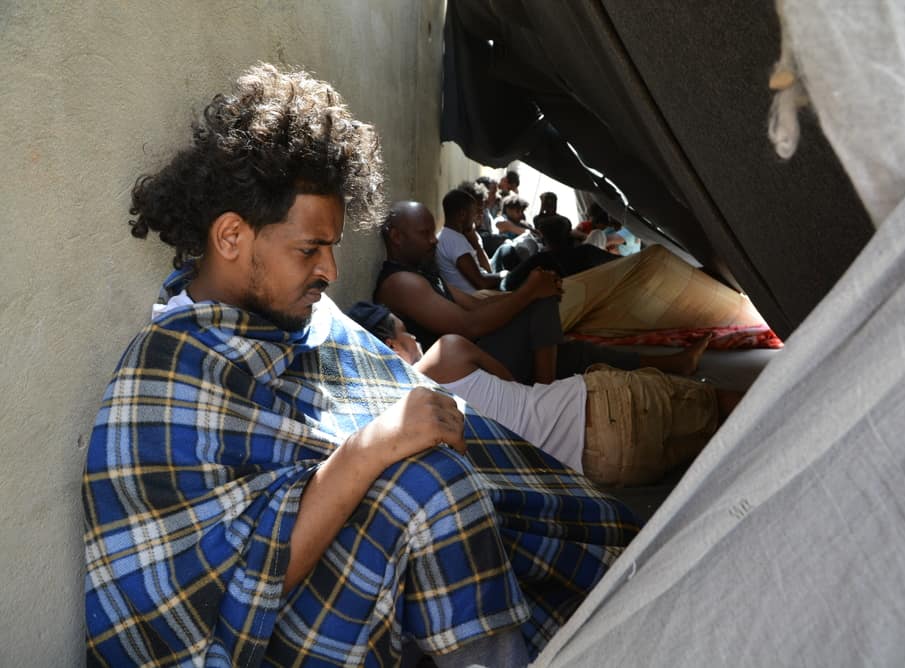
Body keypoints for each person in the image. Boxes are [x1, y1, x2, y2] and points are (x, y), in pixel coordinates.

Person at [82, 63, 639, 667]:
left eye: (333, 247)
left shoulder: (313, 323)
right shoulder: (164, 372)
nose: (331, 272)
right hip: (268, 633)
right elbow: (228, 587)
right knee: (429, 489)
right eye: (309, 250)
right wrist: (372, 448)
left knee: (463, 479)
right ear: (232, 237)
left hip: (365, 574)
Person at [348, 302, 731, 488]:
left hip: (606, 469)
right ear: (391, 347)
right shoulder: (446, 352)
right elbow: (511, 380)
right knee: (732, 407)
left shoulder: (397, 439)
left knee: (726, 458)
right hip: (603, 406)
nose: (414, 337)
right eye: (405, 332)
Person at [374, 201, 710, 384]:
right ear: (396, 237)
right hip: (464, 374)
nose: (433, 240)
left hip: (480, 355)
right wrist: (530, 293)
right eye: (423, 233)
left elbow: (472, 307)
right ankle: (542, 396)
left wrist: (527, 290)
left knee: (574, 351)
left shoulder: (423, 274)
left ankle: (673, 364)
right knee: (541, 301)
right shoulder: (401, 283)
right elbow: (467, 327)